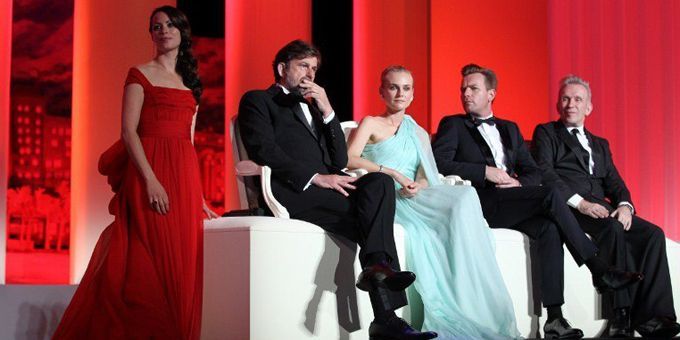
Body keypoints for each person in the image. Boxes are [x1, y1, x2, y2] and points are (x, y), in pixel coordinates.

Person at [237, 40, 436, 340]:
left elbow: (340, 160)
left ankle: (378, 273)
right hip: (295, 190)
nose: (310, 74)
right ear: (282, 68)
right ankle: (385, 316)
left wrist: (328, 111)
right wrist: (316, 177)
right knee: (371, 222)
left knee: (380, 182)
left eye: (314, 68)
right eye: (303, 66)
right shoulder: (258, 100)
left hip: (332, 188)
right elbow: (263, 150)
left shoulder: (315, 109)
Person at [431, 63, 642, 339]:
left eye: (473, 88)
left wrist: (518, 183)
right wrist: (486, 172)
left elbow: (534, 171)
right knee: (552, 194)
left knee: (549, 228)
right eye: (463, 89)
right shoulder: (453, 124)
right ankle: (599, 269)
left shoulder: (510, 129)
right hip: (481, 201)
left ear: (491, 93)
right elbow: (439, 161)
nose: (466, 94)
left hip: (512, 198)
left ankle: (554, 318)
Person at [52, 6, 217, 339]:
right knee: (145, 258)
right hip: (148, 175)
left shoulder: (190, 85)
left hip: (183, 176)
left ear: (182, 32)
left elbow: (189, 139)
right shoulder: (139, 74)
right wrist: (151, 180)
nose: (163, 30)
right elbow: (129, 132)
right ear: (151, 34)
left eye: (170, 25)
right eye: (156, 26)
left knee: (181, 262)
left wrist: (197, 195)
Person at [347, 65, 521, 339]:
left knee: (466, 196)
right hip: (384, 195)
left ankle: (470, 295)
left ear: (413, 94)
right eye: (393, 87)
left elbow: (424, 174)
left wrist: (418, 185)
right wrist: (391, 172)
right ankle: (443, 306)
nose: (399, 93)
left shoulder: (417, 132)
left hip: (412, 196)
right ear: (382, 91)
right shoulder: (371, 123)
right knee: (439, 222)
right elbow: (349, 159)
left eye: (406, 88)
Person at [532, 75, 680, 338]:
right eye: (565, 98)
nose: (571, 104)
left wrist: (625, 205)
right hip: (569, 206)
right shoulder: (546, 133)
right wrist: (582, 204)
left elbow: (615, 181)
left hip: (603, 206)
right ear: (558, 103)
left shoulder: (600, 144)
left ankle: (656, 317)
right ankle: (619, 318)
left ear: (589, 107)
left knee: (653, 234)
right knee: (611, 228)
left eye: (578, 99)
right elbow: (545, 173)